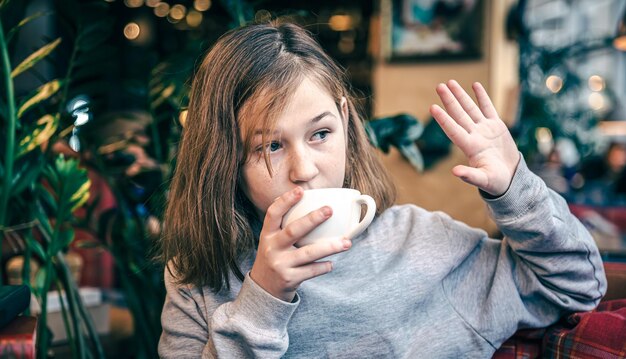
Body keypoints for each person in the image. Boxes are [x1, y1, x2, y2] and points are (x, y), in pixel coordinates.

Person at [158, 21, 607, 358]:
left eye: (320, 134)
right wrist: (263, 298)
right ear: (225, 160)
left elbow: (578, 286)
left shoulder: (422, 244)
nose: (304, 170)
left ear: (347, 123)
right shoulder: (198, 276)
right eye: (270, 146)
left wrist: (515, 188)